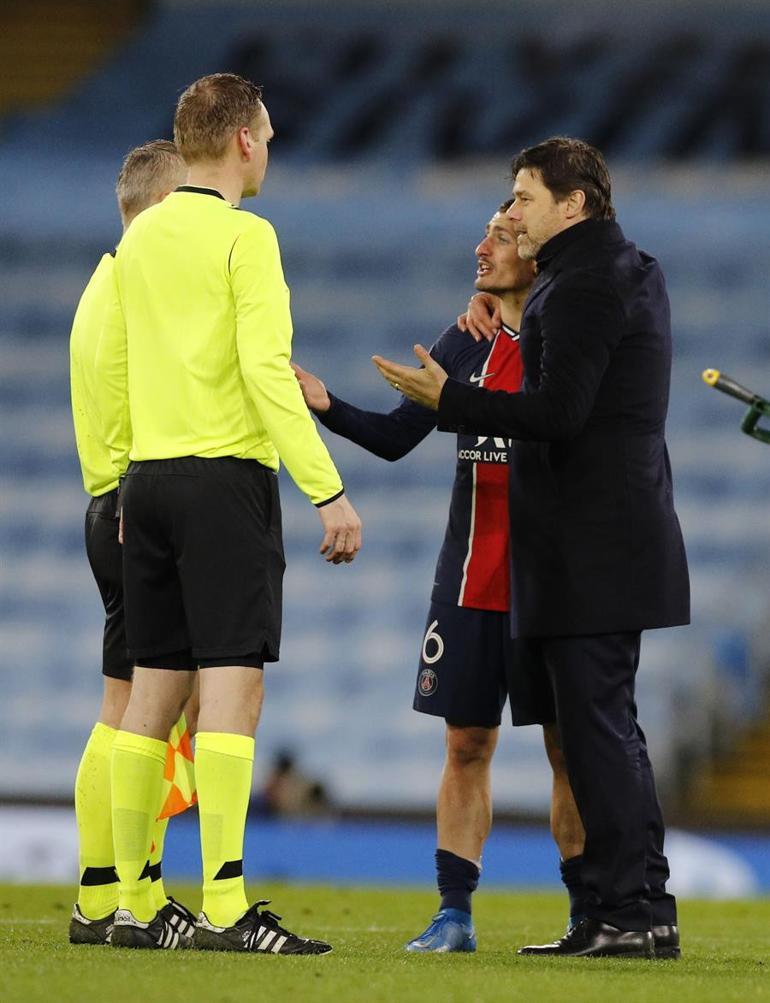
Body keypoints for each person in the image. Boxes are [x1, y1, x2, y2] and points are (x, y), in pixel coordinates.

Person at [372, 137, 689, 959]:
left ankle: (630, 912)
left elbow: (557, 413)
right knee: (598, 733)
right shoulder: (612, 272)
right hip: (593, 546)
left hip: (592, 548)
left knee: (597, 734)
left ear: (572, 203)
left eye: (521, 197)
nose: (510, 213)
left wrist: (455, 397)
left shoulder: (582, 285)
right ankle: (620, 909)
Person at [93, 73, 362, 953]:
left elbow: (122, 370)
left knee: (152, 693)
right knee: (231, 694)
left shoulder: (139, 241)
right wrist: (327, 488)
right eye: (270, 135)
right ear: (243, 141)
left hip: (149, 482)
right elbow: (265, 370)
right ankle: (225, 901)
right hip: (223, 483)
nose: (272, 148)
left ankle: (133, 901)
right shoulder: (248, 238)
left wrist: (126, 481)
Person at [293, 201, 587, 953]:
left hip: (552, 582)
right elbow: (397, 436)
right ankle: (453, 913)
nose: (481, 246)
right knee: (465, 744)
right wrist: (327, 406)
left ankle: (590, 911)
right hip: (470, 578)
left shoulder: (570, 337)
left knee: (569, 749)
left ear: (536, 248)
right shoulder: (468, 337)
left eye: (499, 234)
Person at [68, 140, 197, 946]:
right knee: (145, 707)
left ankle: (101, 890)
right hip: (131, 506)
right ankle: (129, 892)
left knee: (126, 703)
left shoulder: (101, 285)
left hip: (109, 502)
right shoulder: (138, 292)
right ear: (159, 206)